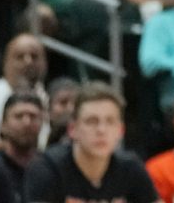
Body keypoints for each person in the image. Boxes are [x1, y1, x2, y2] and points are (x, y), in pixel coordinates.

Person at [20, 87, 155, 203]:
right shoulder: (46, 169)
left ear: (121, 130)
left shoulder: (131, 168)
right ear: (72, 129)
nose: (101, 130)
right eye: (91, 121)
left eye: (110, 121)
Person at [0, 35, 46, 148]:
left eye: (34, 57)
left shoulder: (49, 97)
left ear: (44, 63)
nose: (28, 62)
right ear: (6, 63)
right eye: (20, 57)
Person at [0, 95, 41, 193]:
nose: (27, 123)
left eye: (33, 116)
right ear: (3, 125)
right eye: (19, 116)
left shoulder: (47, 168)